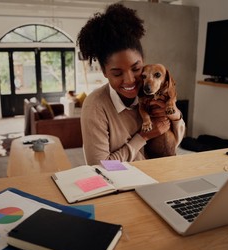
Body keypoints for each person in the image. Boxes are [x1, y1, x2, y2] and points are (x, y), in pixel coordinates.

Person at [77, 3, 185, 165]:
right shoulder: (95, 106)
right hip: (125, 186)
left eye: (136, 69)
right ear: (104, 72)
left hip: (163, 172)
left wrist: (175, 115)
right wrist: (143, 136)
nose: (130, 80)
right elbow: (99, 167)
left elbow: (173, 144)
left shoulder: (153, 93)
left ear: (144, 63)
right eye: (117, 73)